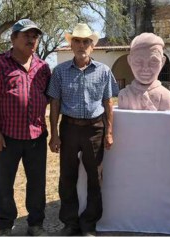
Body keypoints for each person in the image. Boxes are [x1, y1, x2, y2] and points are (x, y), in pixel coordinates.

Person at [0, 19, 50, 236]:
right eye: (26, 35)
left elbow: (49, 98)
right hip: (7, 136)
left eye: (35, 36)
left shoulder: (43, 67)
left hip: (37, 137)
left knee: (37, 183)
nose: (32, 39)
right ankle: (5, 226)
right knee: (4, 184)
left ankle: (35, 224)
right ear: (13, 38)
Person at [47, 23, 118, 236]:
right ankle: (70, 223)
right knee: (67, 177)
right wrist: (55, 134)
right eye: (76, 41)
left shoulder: (104, 71)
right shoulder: (59, 72)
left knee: (95, 177)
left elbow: (108, 103)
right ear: (71, 45)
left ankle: (89, 224)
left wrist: (109, 132)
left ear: (92, 46)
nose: (81, 45)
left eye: (86, 41)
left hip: (95, 129)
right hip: (68, 128)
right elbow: (55, 104)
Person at [118, 32, 170, 111]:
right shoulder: (124, 95)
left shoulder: (165, 96)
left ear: (162, 62)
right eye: (138, 61)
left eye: (153, 61)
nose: (145, 68)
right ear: (129, 61)